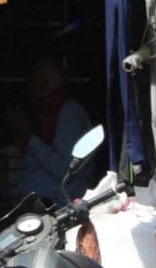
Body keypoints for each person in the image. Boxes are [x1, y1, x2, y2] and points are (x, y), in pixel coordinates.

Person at [6, 57, 93, 205]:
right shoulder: (47, 115)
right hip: (36, 205)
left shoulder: (68, 113)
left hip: (57, 206)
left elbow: (65, 171)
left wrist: (28, 136)